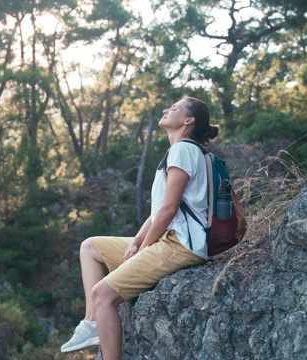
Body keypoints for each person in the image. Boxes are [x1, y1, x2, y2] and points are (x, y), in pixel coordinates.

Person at [60, 96, 220, 359]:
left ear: (188, 121)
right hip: (168, 239)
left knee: (103, 294)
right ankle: (91, 324)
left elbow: (169, 210)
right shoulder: (180, 151)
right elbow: (159, 211)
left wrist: (144, 249)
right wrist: (135, 242)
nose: (167, 109)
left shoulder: (184, 150)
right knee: (90, 247)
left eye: (175, 108)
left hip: (180, 245)